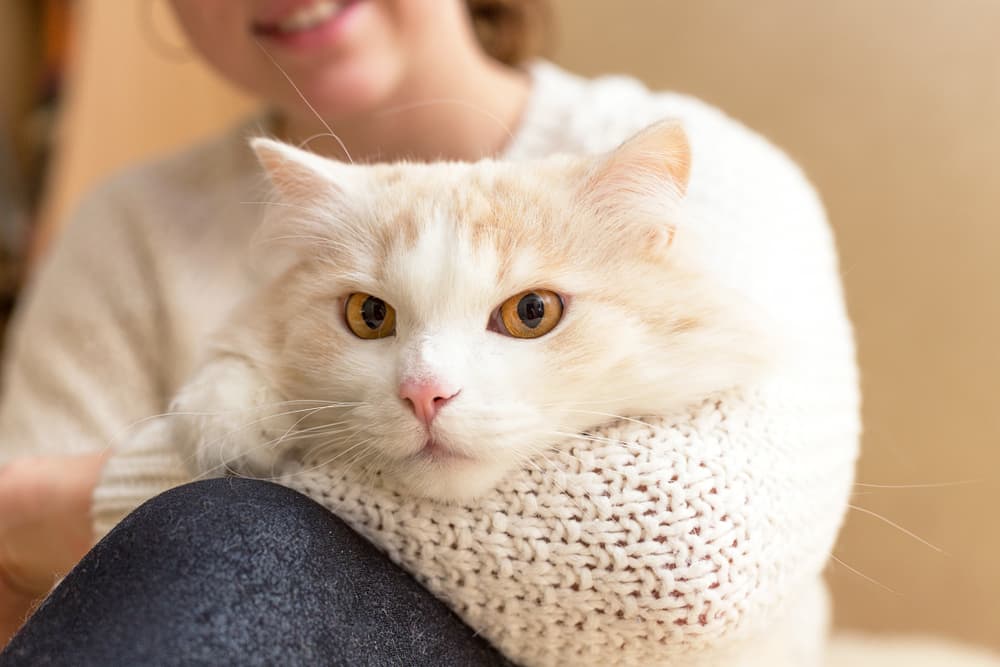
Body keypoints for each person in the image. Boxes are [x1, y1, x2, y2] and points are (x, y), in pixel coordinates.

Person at [0, 0, 858, 664]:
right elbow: (27, 591)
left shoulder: (706, 166)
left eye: (528, 312)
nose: (427, 382)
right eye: (372, 315)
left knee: (233, 536)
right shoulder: (128, 223)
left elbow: (686, 559)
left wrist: (131, 495)